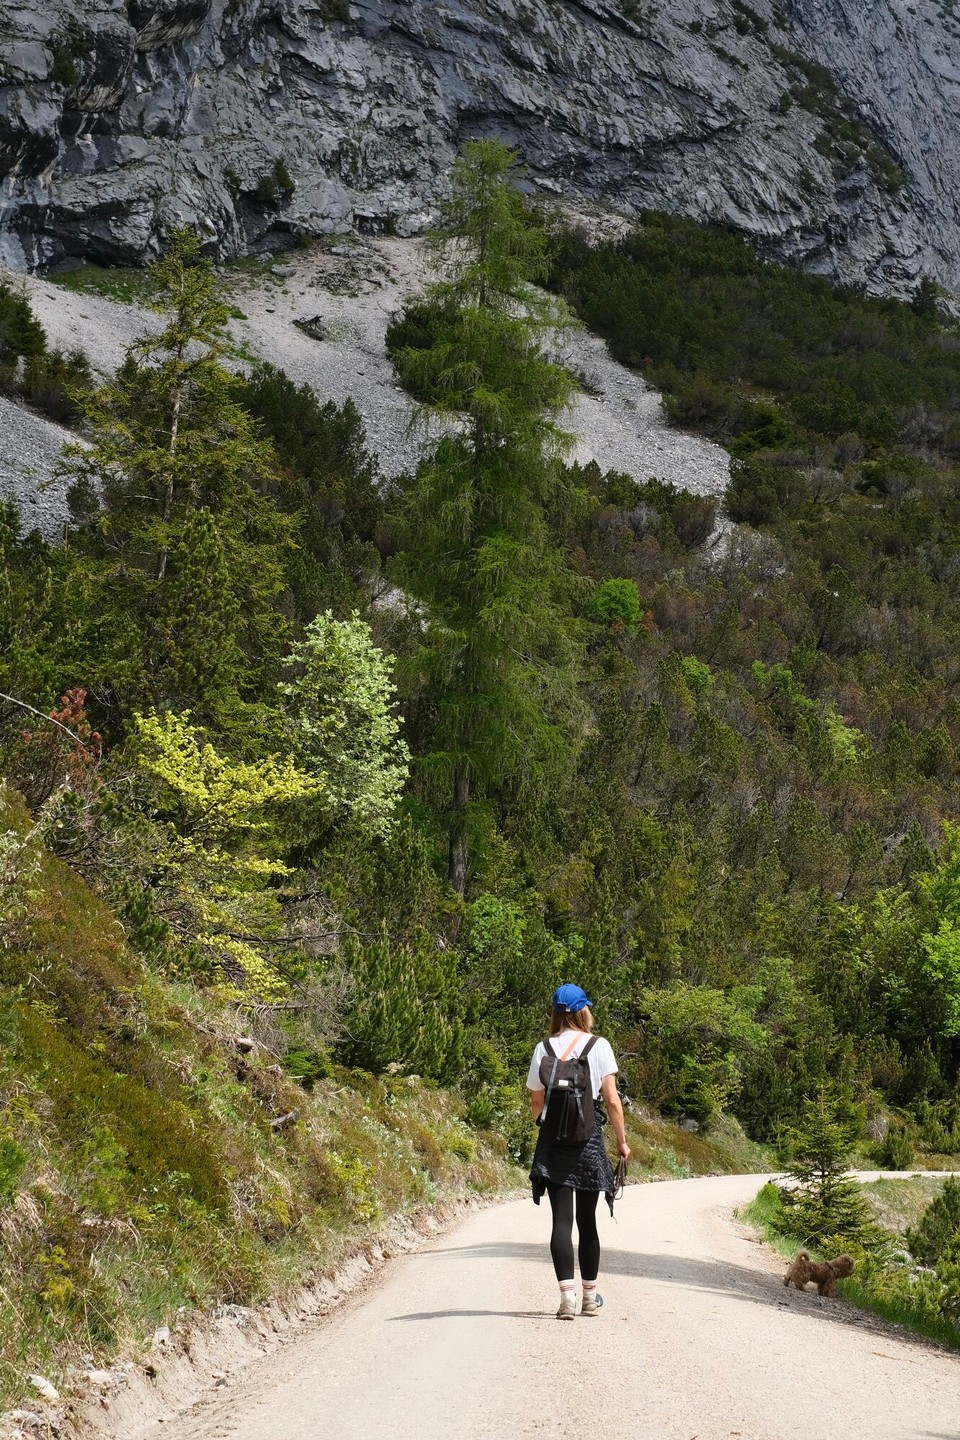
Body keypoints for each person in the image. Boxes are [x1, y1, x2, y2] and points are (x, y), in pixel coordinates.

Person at [526, 983, 630, 1320]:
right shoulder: (599, 1046)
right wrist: (622, 1141)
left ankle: (566, 1299)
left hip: (554, 1144)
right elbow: (612, 1100)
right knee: (588, 1221)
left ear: (556, 1013)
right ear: (583, 1011)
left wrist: (553, 1126)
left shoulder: (543, 1048)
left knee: (561, 1222)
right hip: (589, 1142)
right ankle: (590, 1297)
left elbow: (537, 1103)